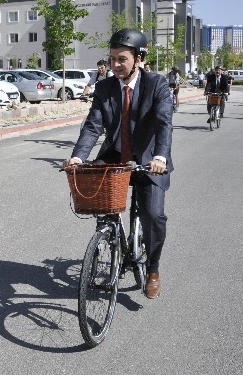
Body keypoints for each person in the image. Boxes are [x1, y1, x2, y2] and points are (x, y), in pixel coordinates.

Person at [63, 28, 173, 299]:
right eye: (112, 59)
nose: (115, 65)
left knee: (153, 215)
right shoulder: (104, 87)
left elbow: (163, 123)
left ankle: (153, 268)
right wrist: (78, 156)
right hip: (116, 156)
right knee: (99, 200)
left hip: (149, 161)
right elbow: (93, 126)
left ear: (138, 58)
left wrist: (160, 156)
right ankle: (109, 239)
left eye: (121, 59)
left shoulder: (156, 84)